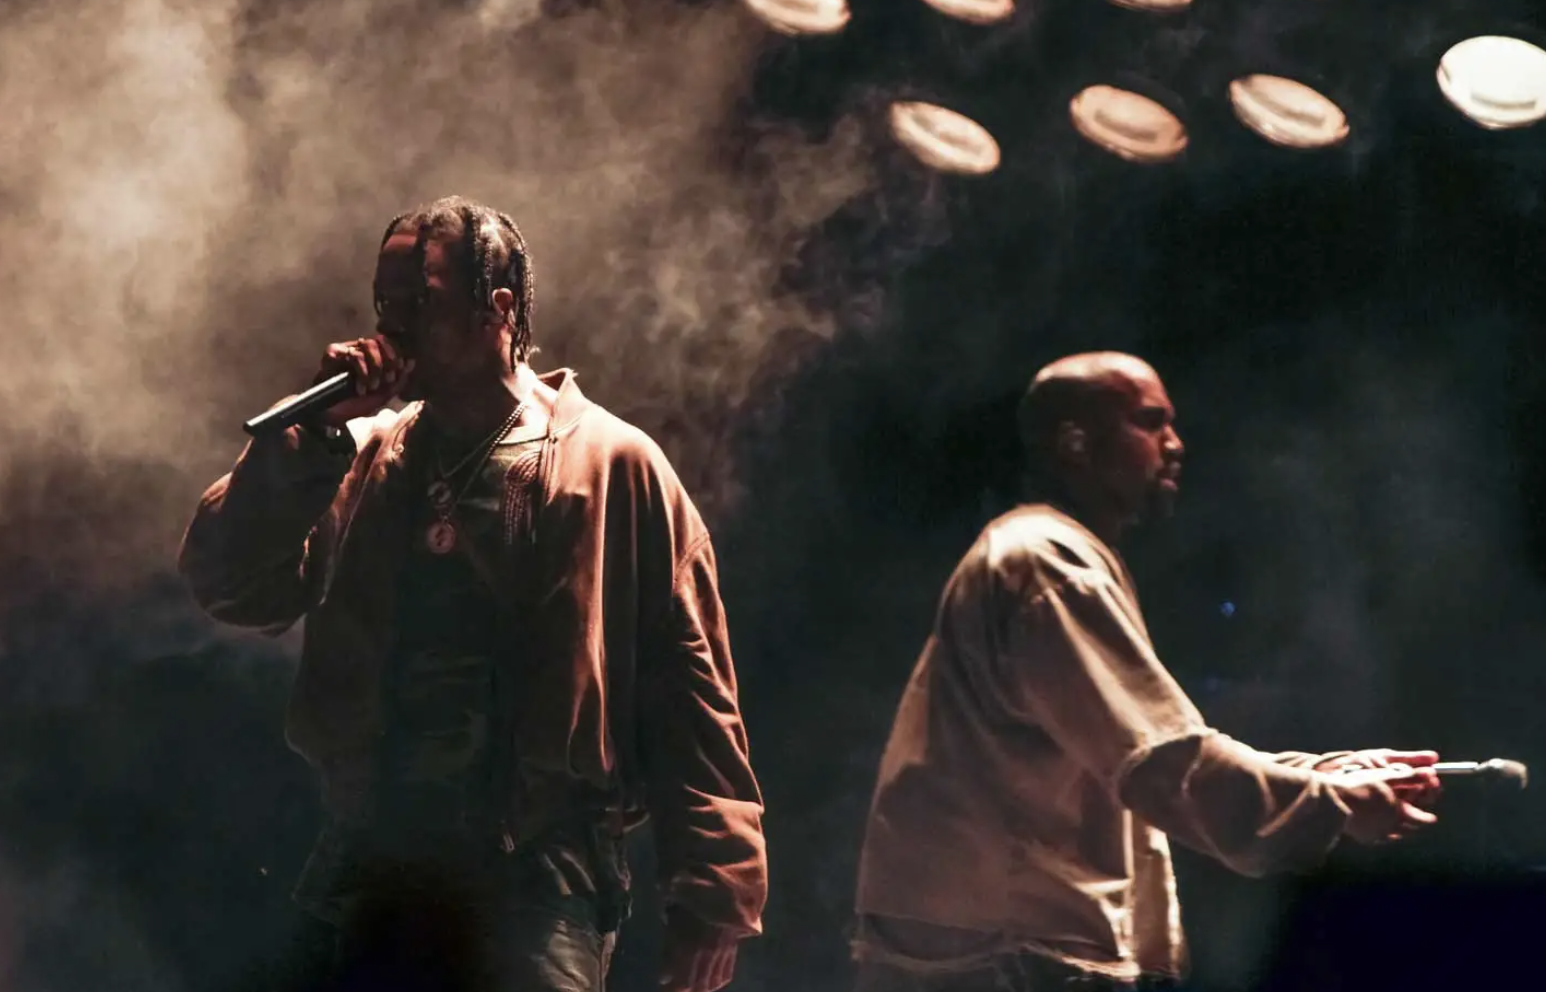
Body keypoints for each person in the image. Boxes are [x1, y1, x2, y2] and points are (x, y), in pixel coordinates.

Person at [178, 196, 766, 992]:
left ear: (498, 308)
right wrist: (308, 439)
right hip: (378, 873)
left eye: (420, 302)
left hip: (540, 881)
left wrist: (716, 890)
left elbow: (691, 682)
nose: (392, 327)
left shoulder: (612, 466)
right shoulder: (358, 456)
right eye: (385, 303)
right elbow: (230, 584)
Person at [852, 352, 1441, 992]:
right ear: (1075, 442)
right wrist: (1332, 802)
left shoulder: (1049, 552)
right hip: (1001, 953)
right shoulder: (1047, 562)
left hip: (989, 943)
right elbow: (1162, 763)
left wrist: (1324, 776)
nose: (1175, 444)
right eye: (1150, 422)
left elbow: (1149, 750)